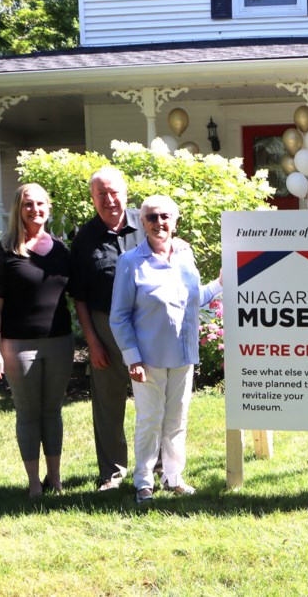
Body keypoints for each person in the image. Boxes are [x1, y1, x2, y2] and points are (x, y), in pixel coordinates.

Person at [110, 195, 222, 505]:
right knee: (150, 420)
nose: (160, 222)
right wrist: (132, 357)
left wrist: (220, 284)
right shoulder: (130, 261)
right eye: (152, 217)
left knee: (177, 419)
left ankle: (173, 477)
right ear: (143, 223)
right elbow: (118, 316)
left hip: (183, 355)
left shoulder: (185, 256)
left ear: (174, 221)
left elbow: (193, 298)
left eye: (165, 217)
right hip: (148, 359)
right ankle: (143, 481)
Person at [0, 184, 73, 498]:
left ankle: (56, 480)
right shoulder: (3, 252)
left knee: (53, 411)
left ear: (49, 206)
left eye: (40, 203)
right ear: (18, 209)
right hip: (17, 345)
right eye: (27, 204)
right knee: (28, 412)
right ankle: (34, 484)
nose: (35, 209)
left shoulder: (62, 250)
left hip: (60, 342)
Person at [69, 166, 145, 491]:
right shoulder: (85, 239)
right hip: (105, 327)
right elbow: (80, 298)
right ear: (93, 198)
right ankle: (112, 473)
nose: (110, 200)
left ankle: (154, 467)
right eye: (102, 194)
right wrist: (92, 342)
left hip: (147, 324)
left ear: (126, 193)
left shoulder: (146, 222)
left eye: (114, 192)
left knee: (153, 400)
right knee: (108, 404)